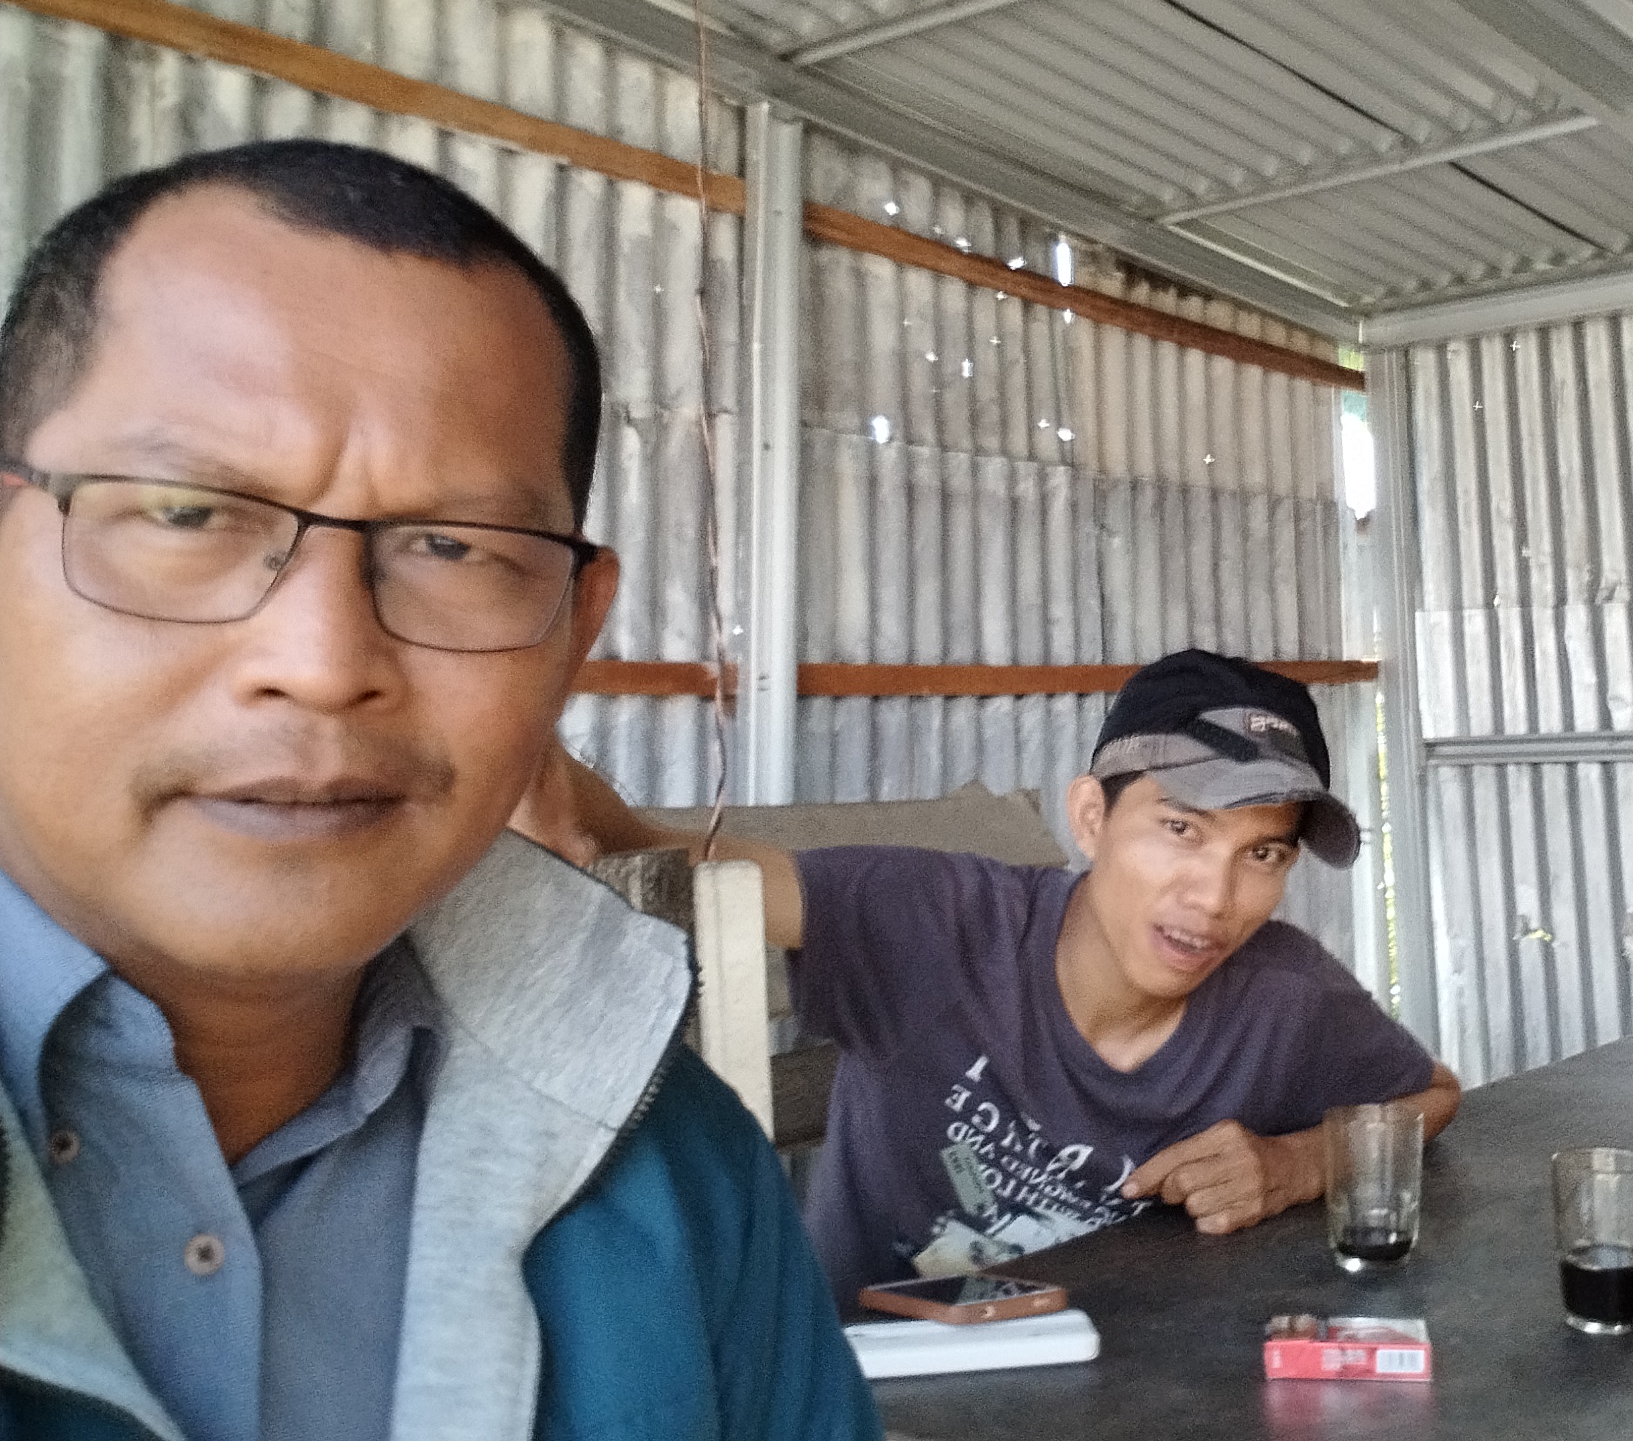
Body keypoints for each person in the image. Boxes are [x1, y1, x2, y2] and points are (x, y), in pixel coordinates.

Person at [0, 141, 878, 1441]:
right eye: (188, 513)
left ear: (573, 634)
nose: (321, 663)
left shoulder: (672, 1166)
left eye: (453, 547)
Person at [532, 648, 1461, 1306]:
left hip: (1129, 1392)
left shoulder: (1286, 996)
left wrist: (1298, 1164)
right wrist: (514, 737)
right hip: (873, 1384)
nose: (1215, 897)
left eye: (1263, 853)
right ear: (1090, 818)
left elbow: (1431, 1096)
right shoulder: (933, 923)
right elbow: (643, 847)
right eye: (1181, 829)